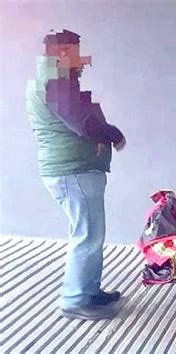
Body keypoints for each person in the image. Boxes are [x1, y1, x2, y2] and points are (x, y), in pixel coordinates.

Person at [26, 30, 126, 320]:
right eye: (77, 52)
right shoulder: (55, 82)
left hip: (74, 170)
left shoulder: (52, 80)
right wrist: (114, 134)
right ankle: (74, 299)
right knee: (86, 235)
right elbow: (83, 123)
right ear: (63, 53)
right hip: (74, 171)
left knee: (90, 233)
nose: (82, 60)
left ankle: (89, 291)